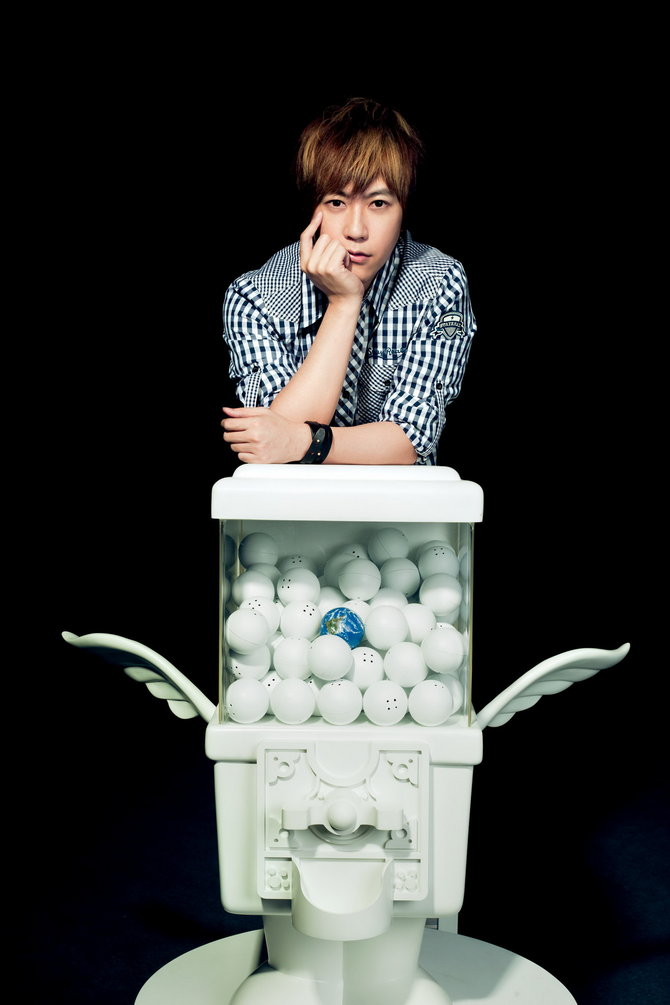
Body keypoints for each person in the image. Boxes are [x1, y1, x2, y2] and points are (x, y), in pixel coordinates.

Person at [221, 97, 476, 466]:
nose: (356, 230)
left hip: (401, 499)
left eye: (378, 204)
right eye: (337, 202)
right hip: (292, 502)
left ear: (403, 208)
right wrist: (343, 304)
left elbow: (411, 438)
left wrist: (303, 440)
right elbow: (275, 451)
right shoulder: (256, 297)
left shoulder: (438, 282)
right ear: (313, 209)